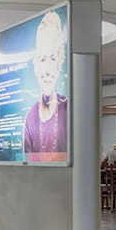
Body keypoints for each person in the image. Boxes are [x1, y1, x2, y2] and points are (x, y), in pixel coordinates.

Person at [23, 11, 68, 162]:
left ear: (58, 64)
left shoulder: (69, 110)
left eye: (52, 58)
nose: (47, 70)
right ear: (36, 66)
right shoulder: (30, 118)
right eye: (43, 59)